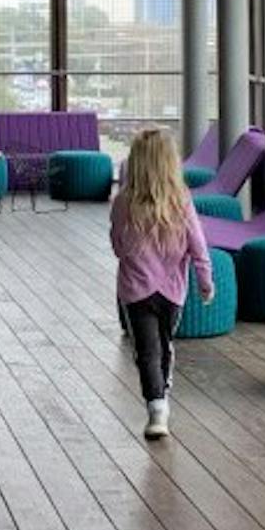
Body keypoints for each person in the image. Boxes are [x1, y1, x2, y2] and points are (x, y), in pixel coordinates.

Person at [109, 128, 216, 443]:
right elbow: (198, 246)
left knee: (146, 351)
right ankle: (160, 403)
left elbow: (117, 246)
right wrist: (206, 281)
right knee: (164, 345)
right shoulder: (181, 201)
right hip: (173, 292)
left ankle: (156, 407)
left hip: (134, 290)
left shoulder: (122, 202)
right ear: (171, 163)